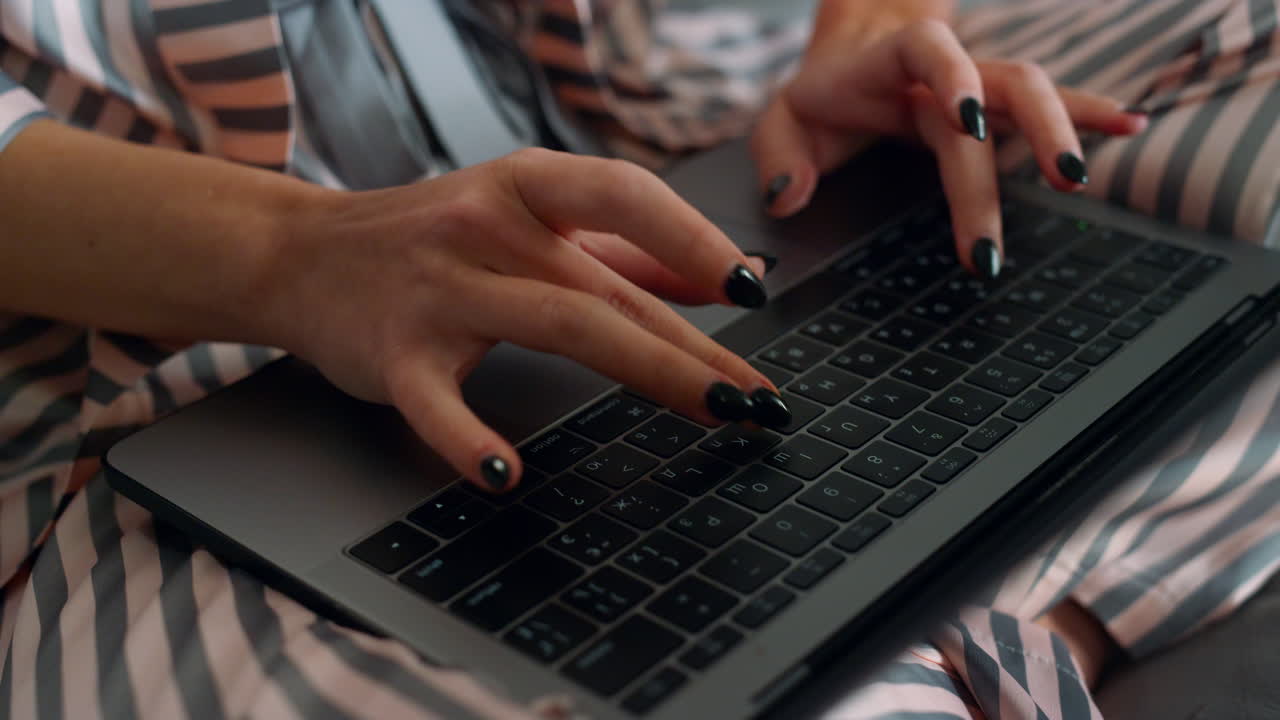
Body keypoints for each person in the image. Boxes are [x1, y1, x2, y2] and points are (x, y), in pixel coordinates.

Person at [0, 0, 1278, 717]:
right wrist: (301, 254)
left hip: (689, 135)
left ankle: (917, 632)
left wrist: (856, 23)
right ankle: (1004, 598)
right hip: (187, 338)